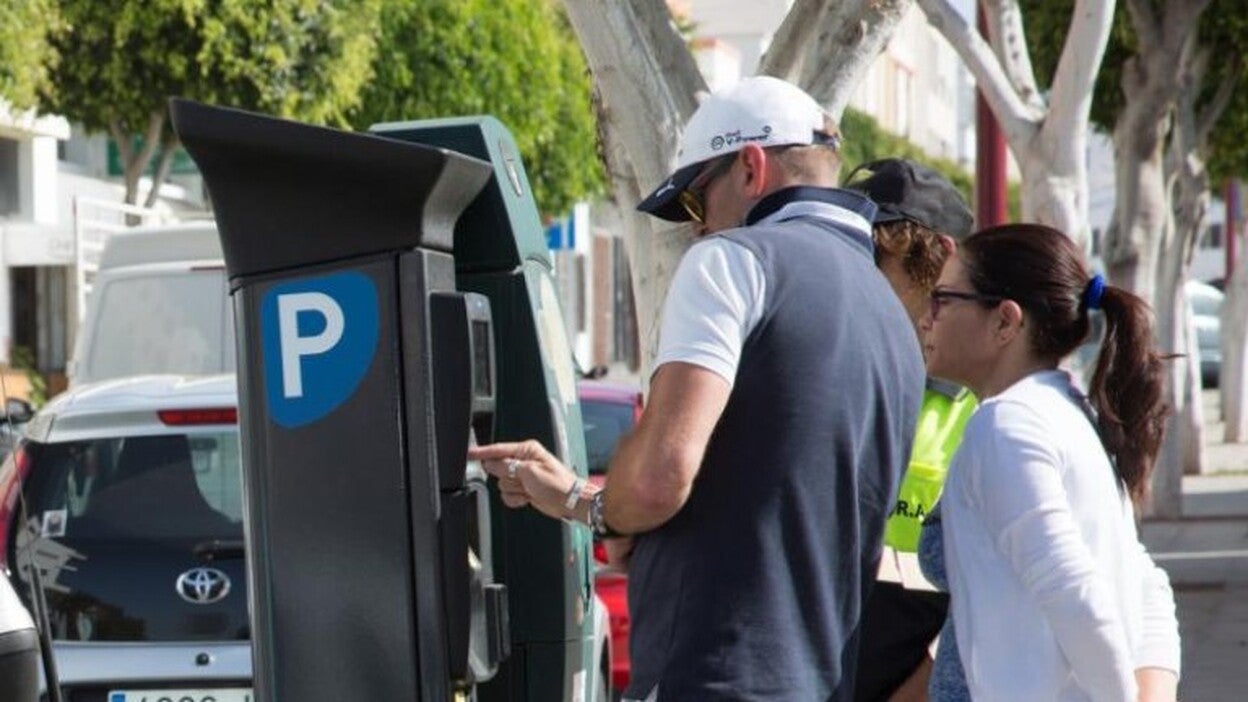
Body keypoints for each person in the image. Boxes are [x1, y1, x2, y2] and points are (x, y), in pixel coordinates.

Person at [468, 76, 925, 701]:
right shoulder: (892, 313)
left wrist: (602, 508)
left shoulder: (734, 262)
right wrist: (602, 508)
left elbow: (657, 480)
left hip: (712, 675)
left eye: (693, 200)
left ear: (749, 166)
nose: (696, 228)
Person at [920, 223, 1181, 701]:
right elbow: (1141, 581)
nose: (925, 317)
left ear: (1005, 321)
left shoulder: (1008, 426)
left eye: (943, 299)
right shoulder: (1065, 412)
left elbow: (1076, 593)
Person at [843, 158, 976, 702]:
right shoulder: (842, 373)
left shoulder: (983, 401)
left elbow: (997, 598)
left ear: (939, 256)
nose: (854, 272)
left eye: (874, 255)